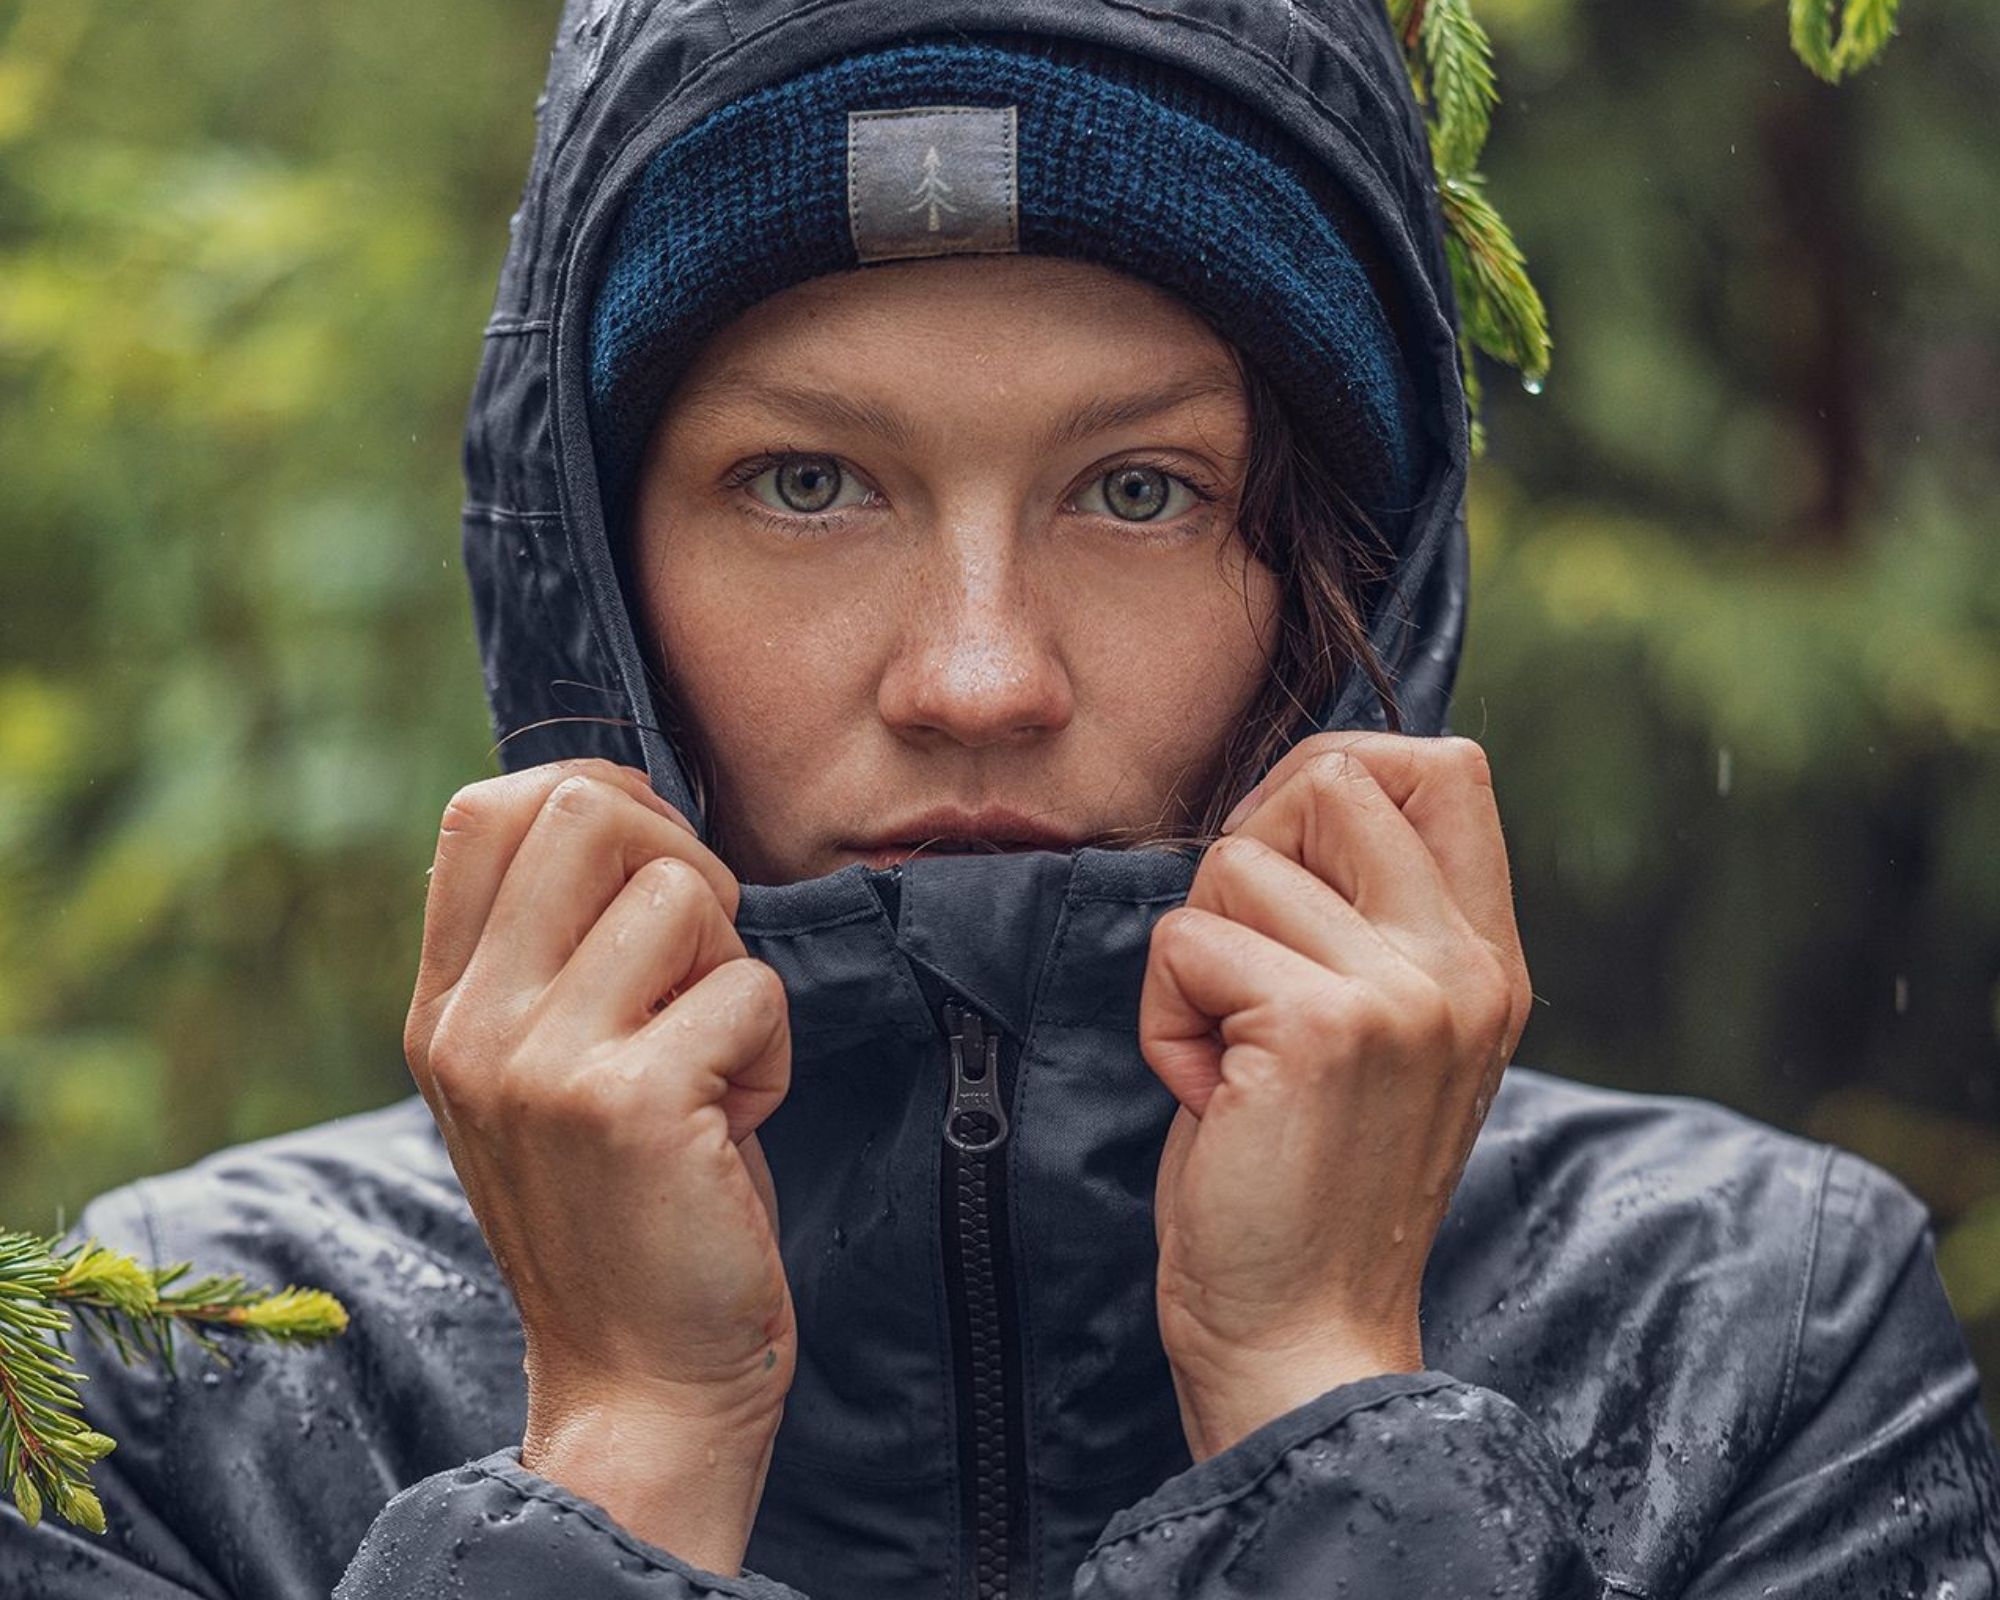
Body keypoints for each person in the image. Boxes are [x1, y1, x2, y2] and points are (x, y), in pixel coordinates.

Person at [4, 3, 1996, 1597]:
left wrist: (1322, 1392)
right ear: (593, 585)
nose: (977, 676)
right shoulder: (180, 1381)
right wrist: (623, 1444)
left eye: (1137, 489)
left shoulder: (1752, 1324)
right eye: (808, 482)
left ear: (1331, 575)